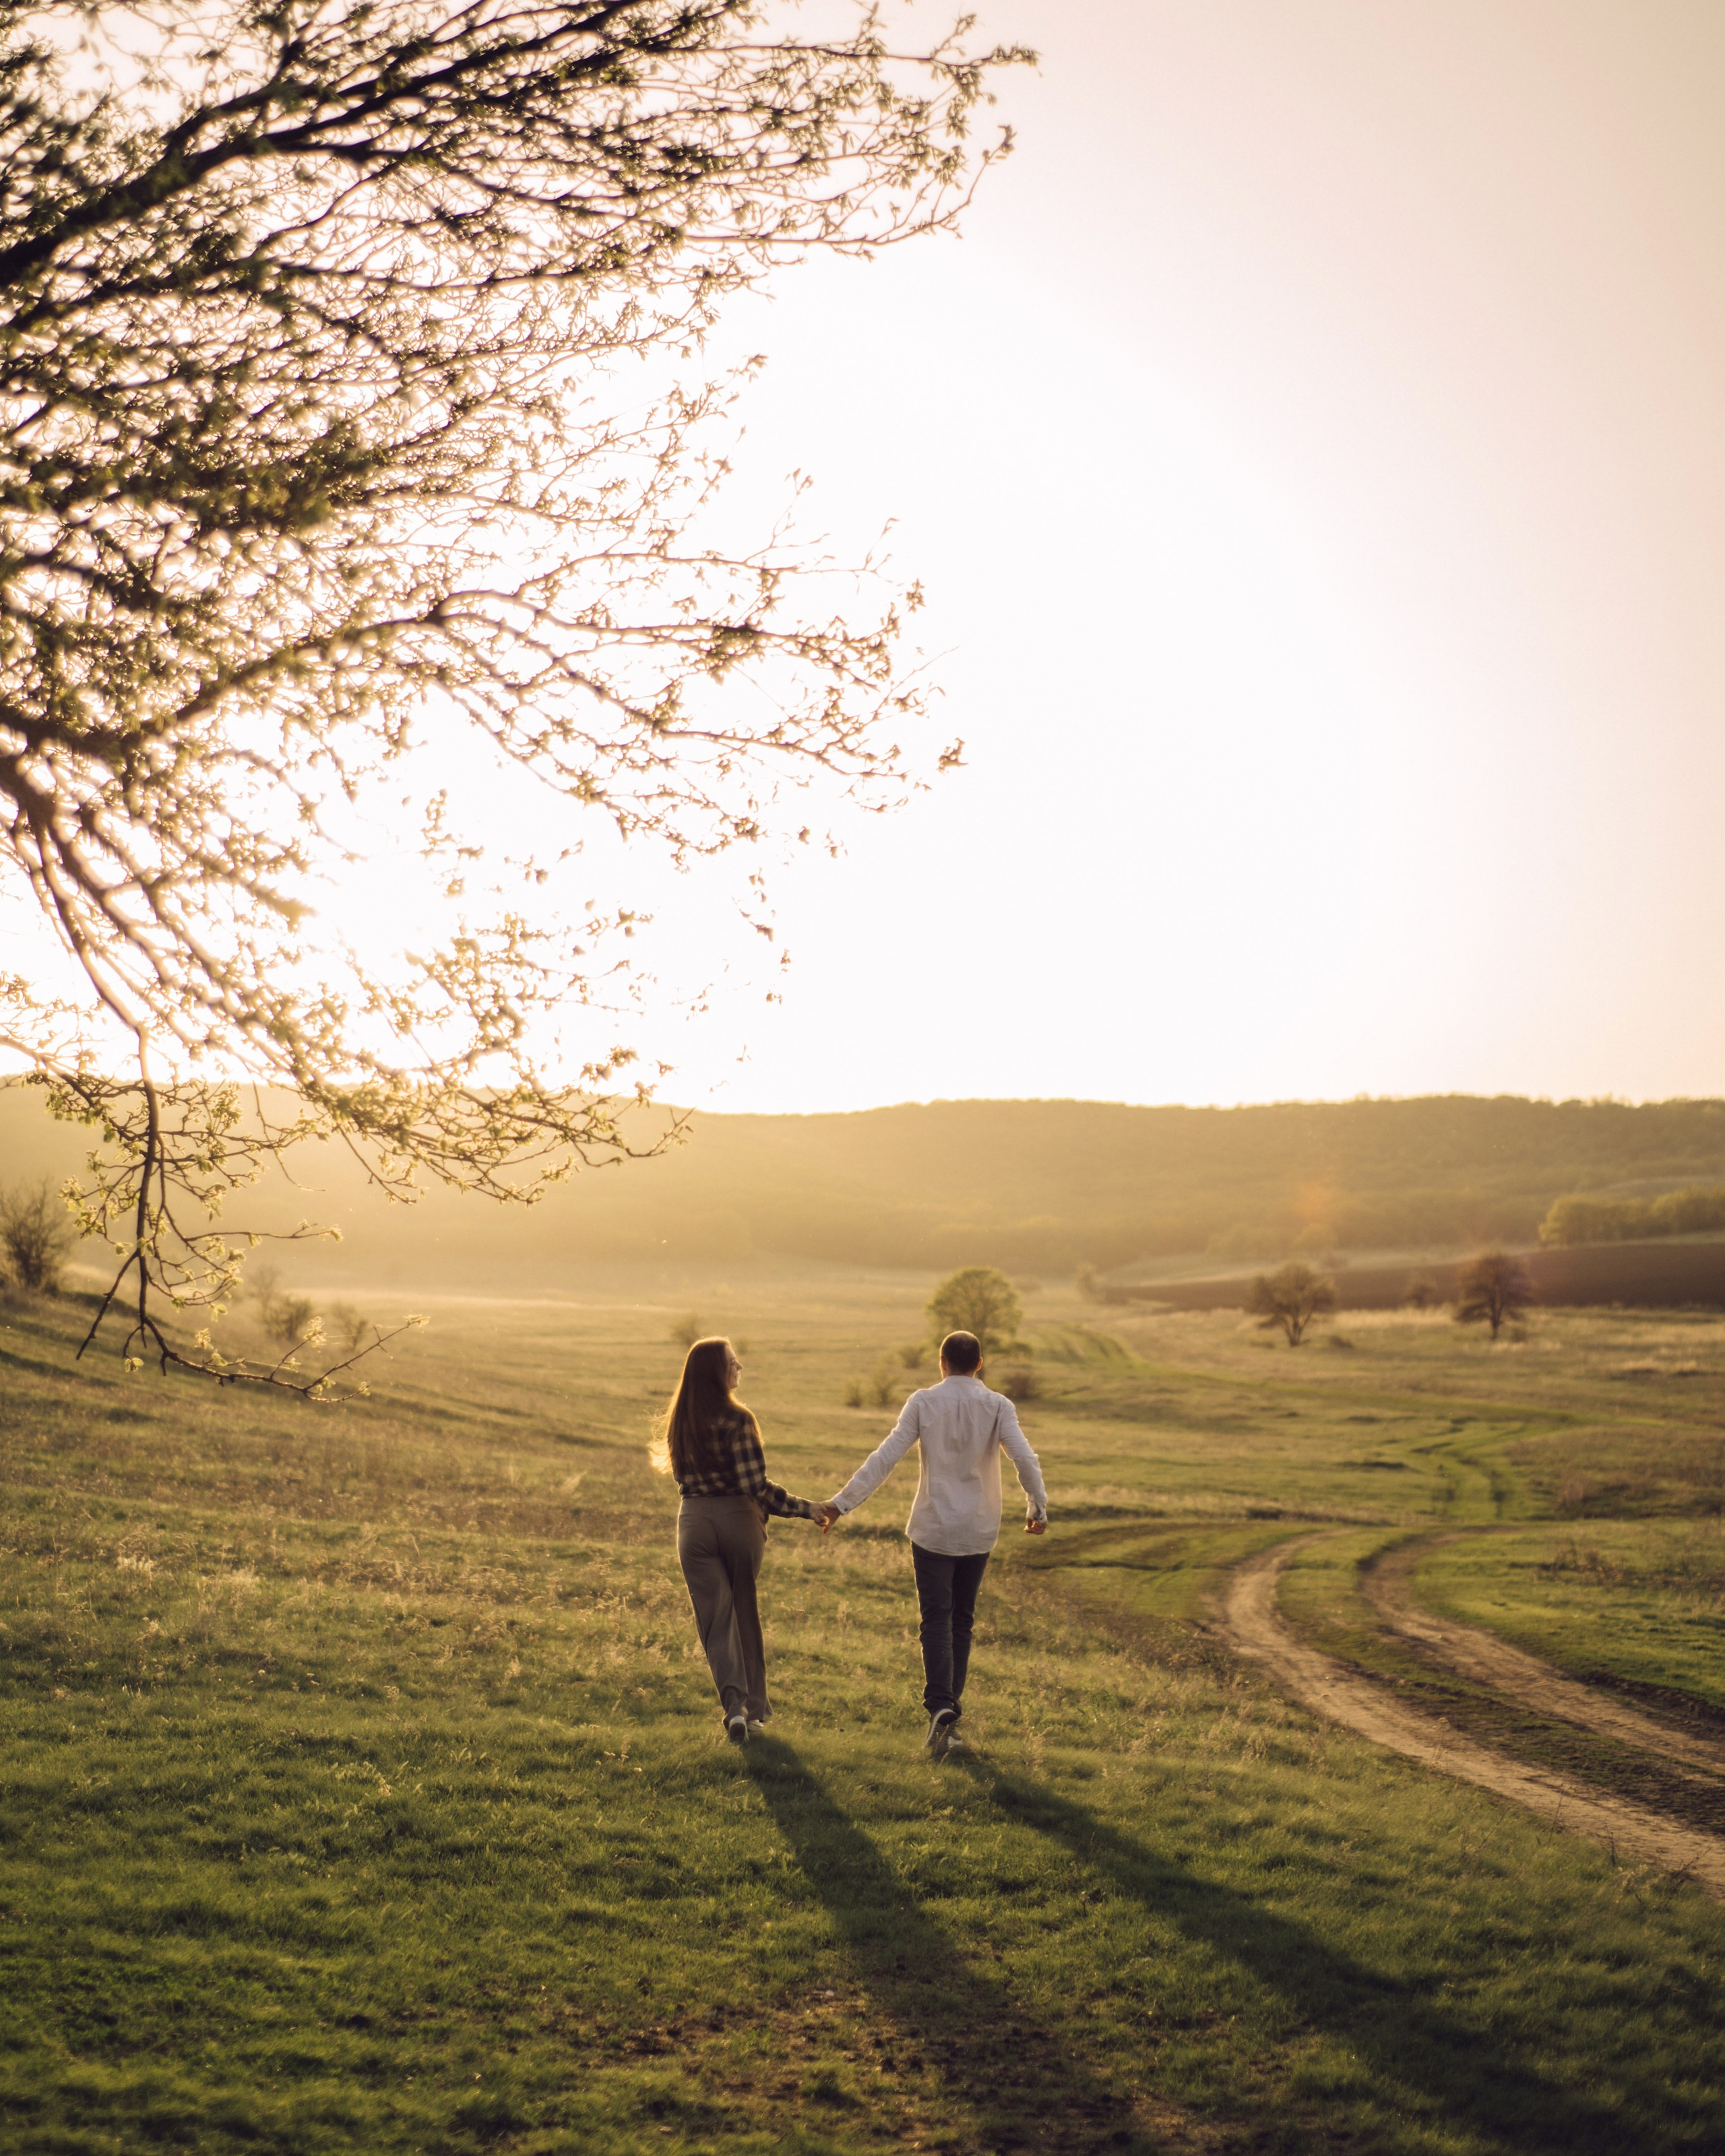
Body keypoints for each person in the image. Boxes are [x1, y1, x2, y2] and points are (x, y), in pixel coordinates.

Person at [826, 1329, 1047, 1756]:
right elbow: (1024, 1456)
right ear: (979, 1364)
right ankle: (947, 1716)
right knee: (961, 1621)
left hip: (932, 1529)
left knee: (936, 1620)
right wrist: (1036, 1507)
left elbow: (885, 1456)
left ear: (941, 1363)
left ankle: (941, 1708)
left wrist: (841, 1504)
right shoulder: (999, 1406)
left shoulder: (924, 1402)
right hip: (978, 1530)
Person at [653, 1336, 837, 1744]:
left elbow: (682, 1478)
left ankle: (734, 1707)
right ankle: (753, 1713)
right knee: (743, 1610)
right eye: (733, 1364)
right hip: (738, 1520)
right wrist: (807, 1508)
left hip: (695, 1522)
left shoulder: (679, 1420)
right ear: (717, 1374)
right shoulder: (739, 1420)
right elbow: (755, 1486)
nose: (740, 1370)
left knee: (715, 1621)